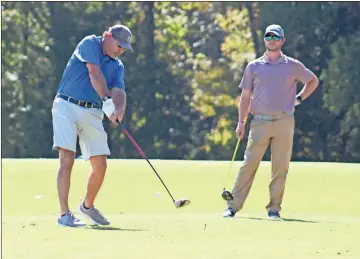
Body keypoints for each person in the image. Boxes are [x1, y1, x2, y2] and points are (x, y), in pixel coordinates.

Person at [223, 24, 319, 219]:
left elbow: (313, 81)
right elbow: (245, 96)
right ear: (265, 40)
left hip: (284, 121)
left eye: (276, 37)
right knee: (248, 164)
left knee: (280, 166)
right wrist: (241, 122)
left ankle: (274, 208)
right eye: (268, 36)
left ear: (282, 40)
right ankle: (233, 207)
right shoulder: (254, 66)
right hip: (259, 122)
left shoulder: (292, 65)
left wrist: (298, 99)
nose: (272, 40)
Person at [52, 24, 133, 227]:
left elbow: (119, 90)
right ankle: (64, 215)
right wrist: (107, 100)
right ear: (107, 36)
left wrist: (119, 109)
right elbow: (94, 73)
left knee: (100, 164)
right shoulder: (90, 43)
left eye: (124, 48)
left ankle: (87, 206)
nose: (120, 50)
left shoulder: (117, 65)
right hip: (66, 105)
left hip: (92, 111)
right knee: (67, 159)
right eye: (118, 45)